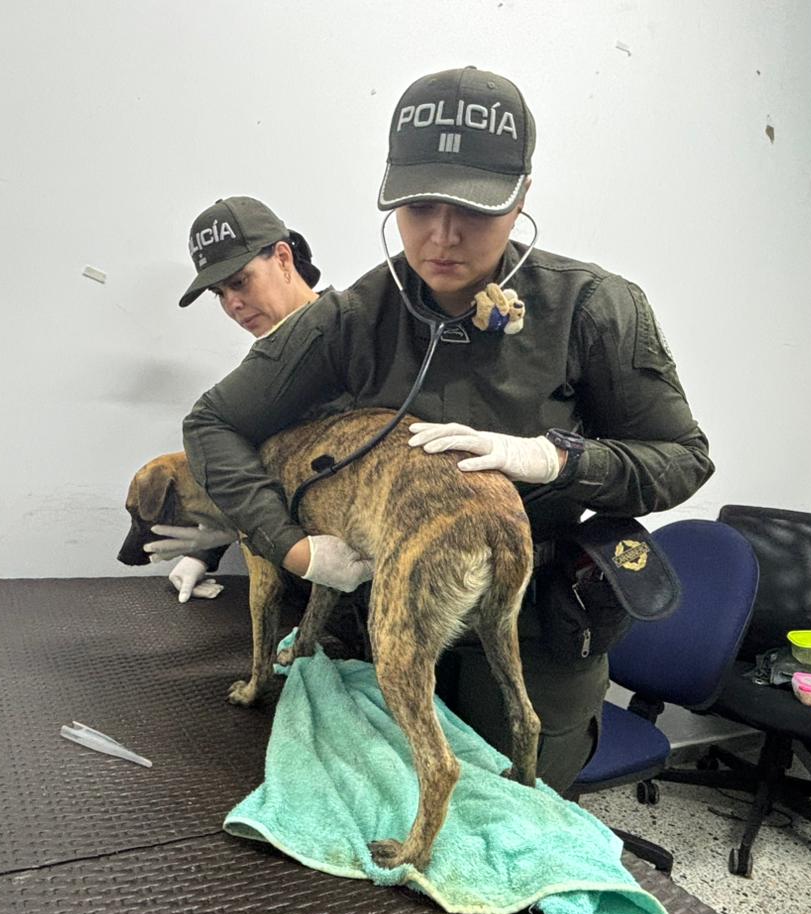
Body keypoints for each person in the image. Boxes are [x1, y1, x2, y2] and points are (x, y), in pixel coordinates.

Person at [182, 67, 714, 792]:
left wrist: (557, 460)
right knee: (387, 804)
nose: (442, 236)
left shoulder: (594, 309)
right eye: (418, 205)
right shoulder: (350, 318)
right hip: (387, 612)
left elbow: (683, 460)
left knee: (521, 808)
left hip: (527, 624)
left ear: (523, 195)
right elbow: (213, 423)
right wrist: (294, 547)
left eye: (475, 208)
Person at [149, 196, 324, 601]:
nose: (233, 305)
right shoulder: (264, 363)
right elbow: (253, 455)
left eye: (240, 282)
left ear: (283, 259)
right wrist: (209, 548)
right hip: (303, 589)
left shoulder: (346, 334)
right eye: (220, 293)